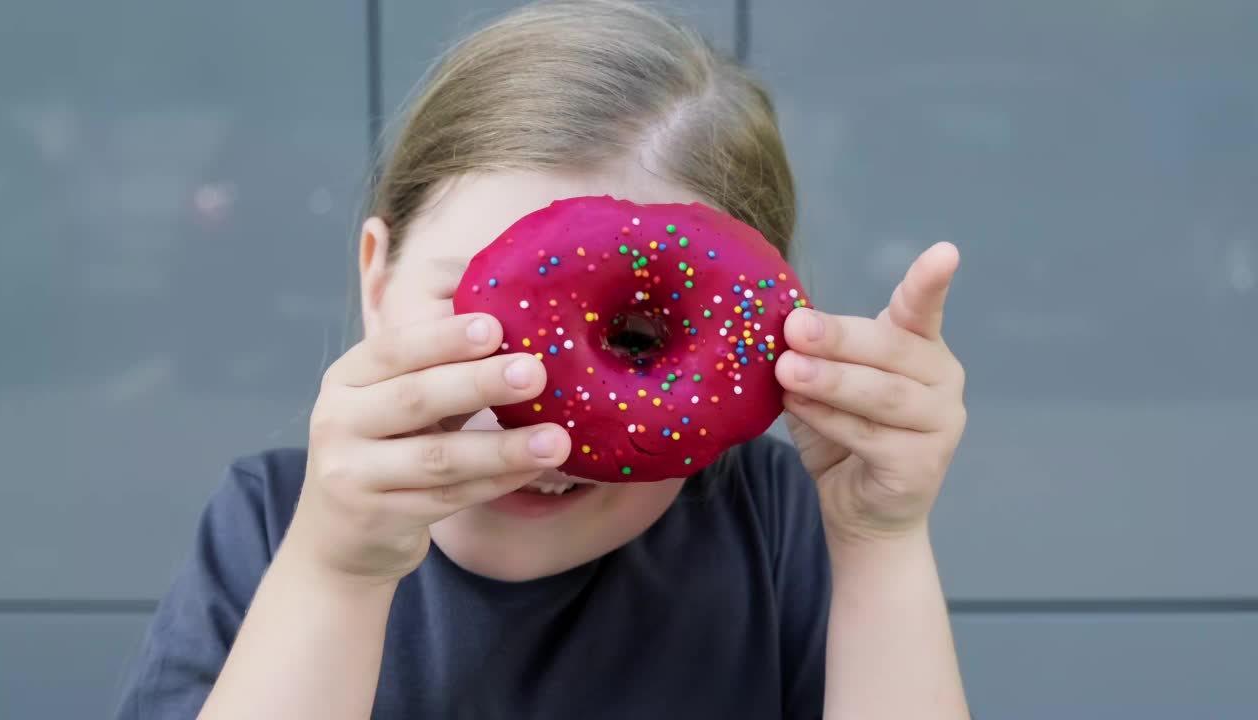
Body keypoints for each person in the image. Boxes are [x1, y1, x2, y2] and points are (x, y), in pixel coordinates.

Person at [115, 1, 971, 717]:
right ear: (377, 283)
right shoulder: (274, 524)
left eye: (638, 341)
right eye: (470, 308)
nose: (537, 412)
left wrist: (882, 545)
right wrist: (337, 572)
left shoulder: (778, 525)